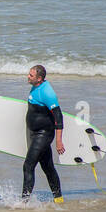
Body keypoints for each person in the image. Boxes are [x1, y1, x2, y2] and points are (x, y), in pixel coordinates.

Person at [23, 65, 64, 204]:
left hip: (44, 135)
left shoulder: (48, 93)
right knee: (48, 167)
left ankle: (24, 202)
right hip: (35, 134)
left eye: (31, 75)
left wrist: (59, 141)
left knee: (28, 166)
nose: (28, 76)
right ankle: (59, 199)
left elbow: (58, 117)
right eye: (29, 74)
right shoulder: (36, 86)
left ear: (39, 78)